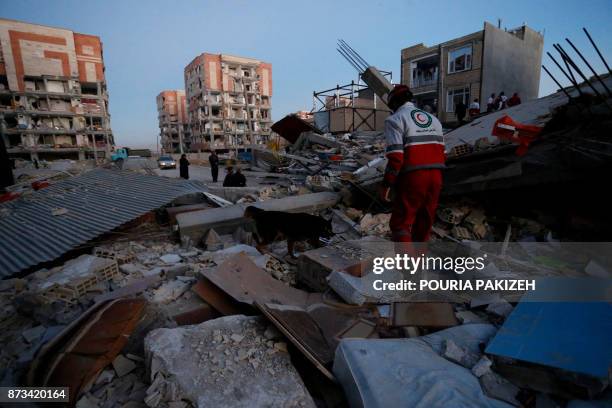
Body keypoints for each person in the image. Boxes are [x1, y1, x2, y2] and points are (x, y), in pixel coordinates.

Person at [380, 85, 445, 242]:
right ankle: (418, 263)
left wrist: (387, 184)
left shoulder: (394, 120)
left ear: (394, 103)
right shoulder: (433, 119)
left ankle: (406, 266)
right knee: (424, 222)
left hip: (414, 176)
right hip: (437, 175)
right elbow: (442, 151)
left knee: (401, 223)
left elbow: (396, 158)